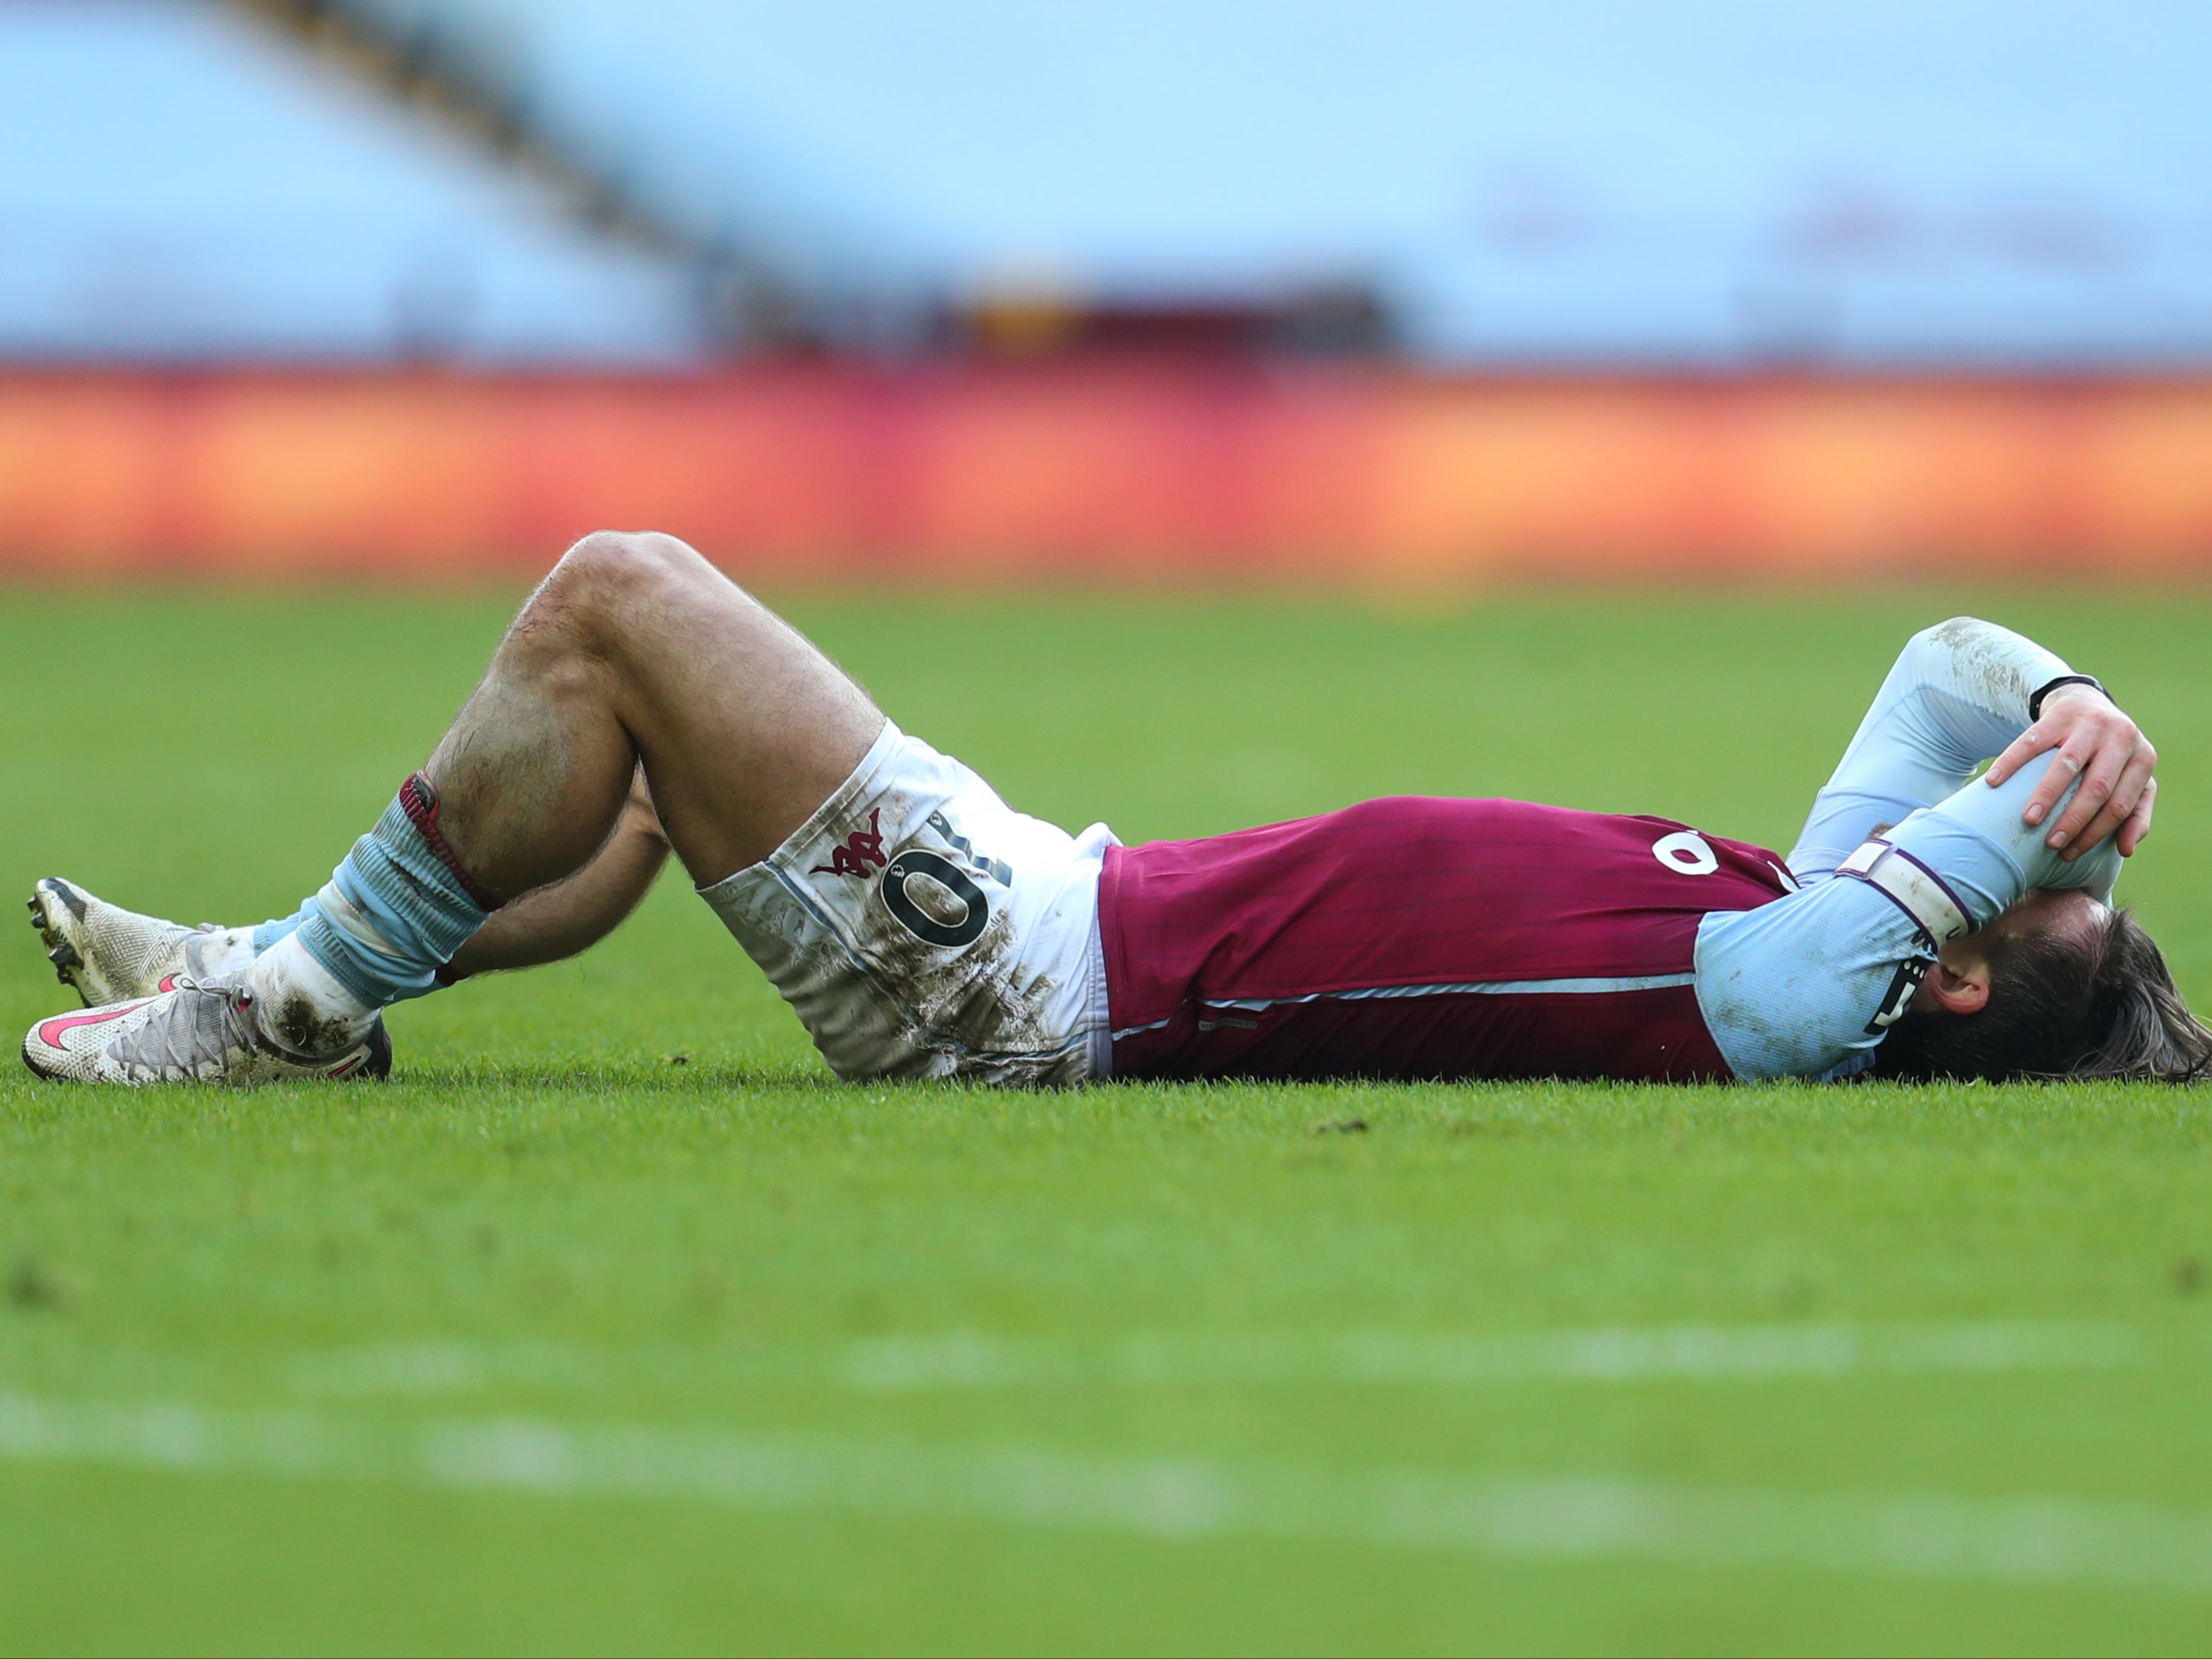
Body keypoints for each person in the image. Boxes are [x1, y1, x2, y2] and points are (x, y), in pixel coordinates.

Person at [20, 532, 2209, 1088]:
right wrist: (2075, 699)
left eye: (2045, 889)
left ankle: (285, 1007)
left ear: (1946, 966)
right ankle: (285, 970)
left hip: (1028, 983)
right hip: (1064, 896)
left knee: (613, 602)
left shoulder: (1783, 992)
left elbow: (1844, 958)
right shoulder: (1832, 908)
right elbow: (1940, 665)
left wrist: (2037, 849)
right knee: (632, 786)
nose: (2044, 833)